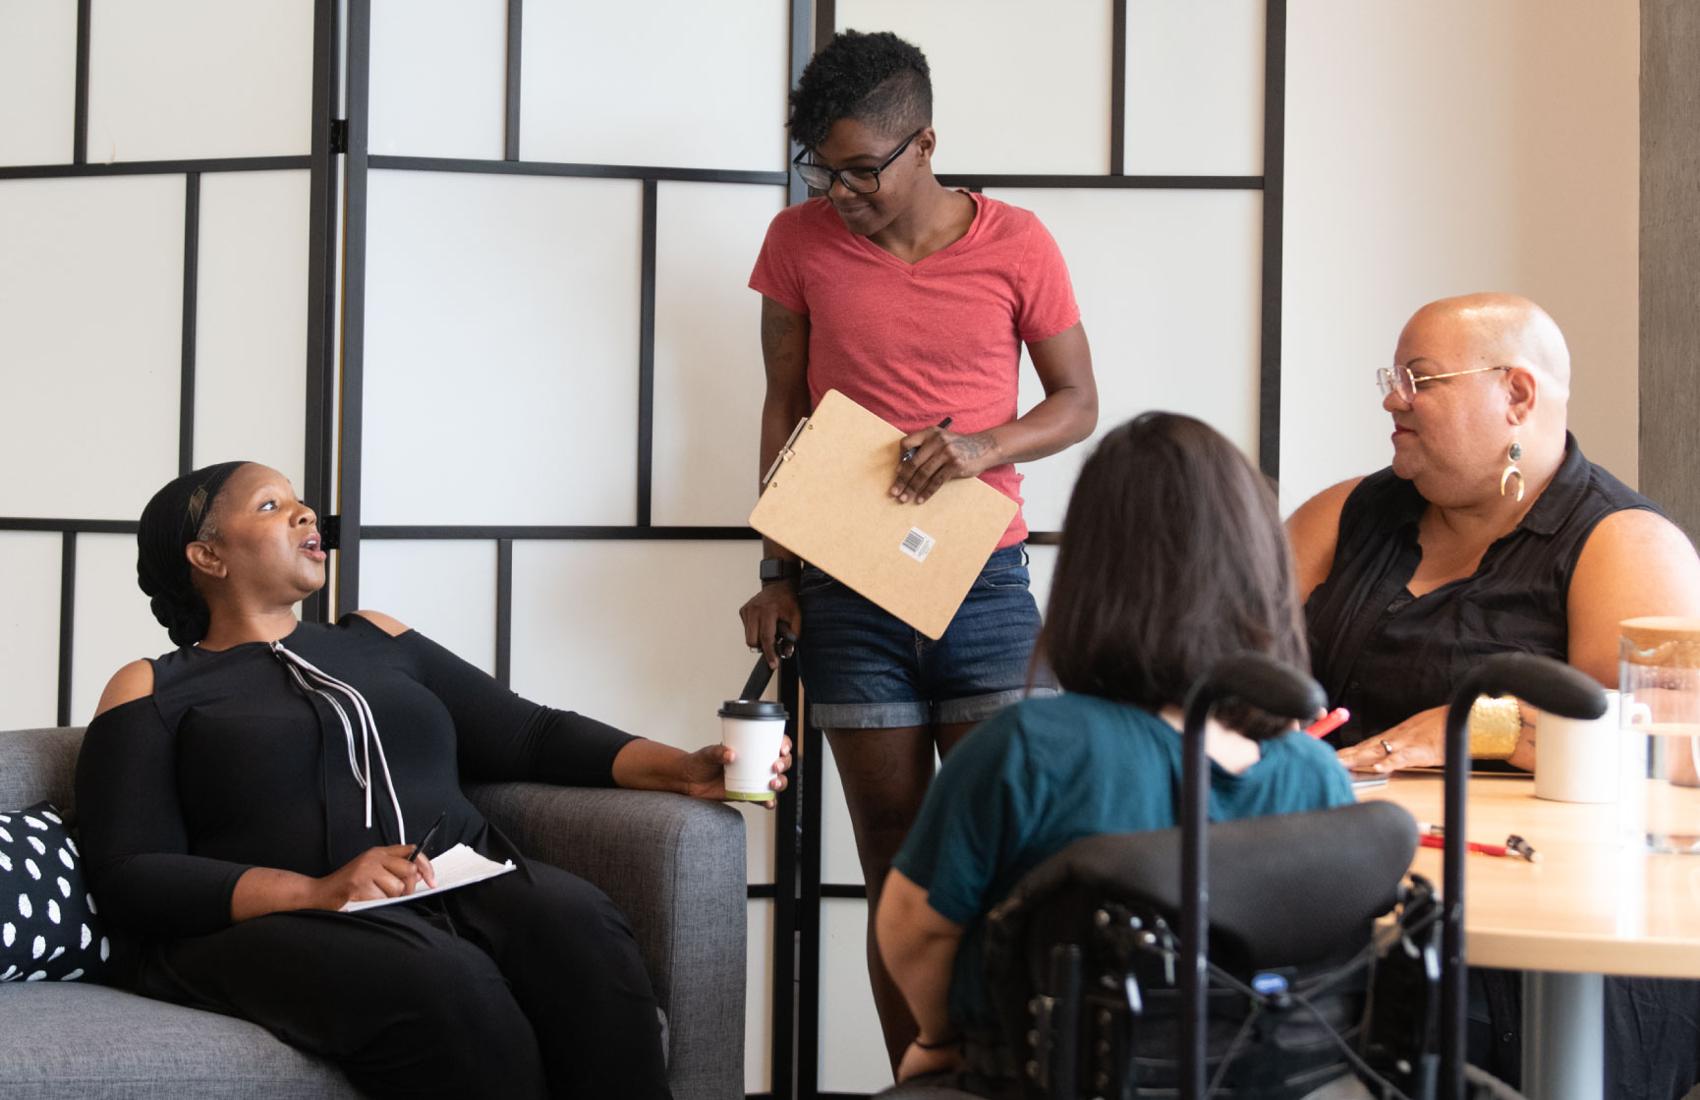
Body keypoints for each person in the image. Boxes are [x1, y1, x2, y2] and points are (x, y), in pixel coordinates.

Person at [75, 461, 792, 1100]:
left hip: (454, 876)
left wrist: (683, 770)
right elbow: (127, 870)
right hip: (284, 919)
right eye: (268, 506)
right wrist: (317, 892)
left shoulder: (375, 637)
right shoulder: (151, 687)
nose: (303, 513)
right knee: (447, 985)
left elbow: (527, 732)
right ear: (207, 556)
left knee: (580, 924)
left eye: (299, 501)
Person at [737, 30, 1098, 1067]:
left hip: (983, 582)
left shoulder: (1016, 242)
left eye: (861, 169)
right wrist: (774, 567)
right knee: (893, 857)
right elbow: (782, 406)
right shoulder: (796, 243)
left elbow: (1077, 402)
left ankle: (1010, 1073)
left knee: (1007, 855)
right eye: (823, 170)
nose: (840, 192)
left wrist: (983, 443)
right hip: (846, 581)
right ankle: (922, 1075)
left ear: (925, 141)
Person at [1287, 293, 1700, 1095]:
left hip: (1555, 929)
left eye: (1420, 379)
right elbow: (1222, 656)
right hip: (1350, 891)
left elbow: (1675, 745)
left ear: (1517, 394)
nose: (1391, 399)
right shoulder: (1347, 513)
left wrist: (1481, 726)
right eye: (1393, 377)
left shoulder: (1625, 543)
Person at [873, 412, 1355, 1091]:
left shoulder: (1030, 750)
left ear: (1091, 574)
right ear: (1261, 570)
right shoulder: (1314, 775)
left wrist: (940, 1038)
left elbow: (912, 931)